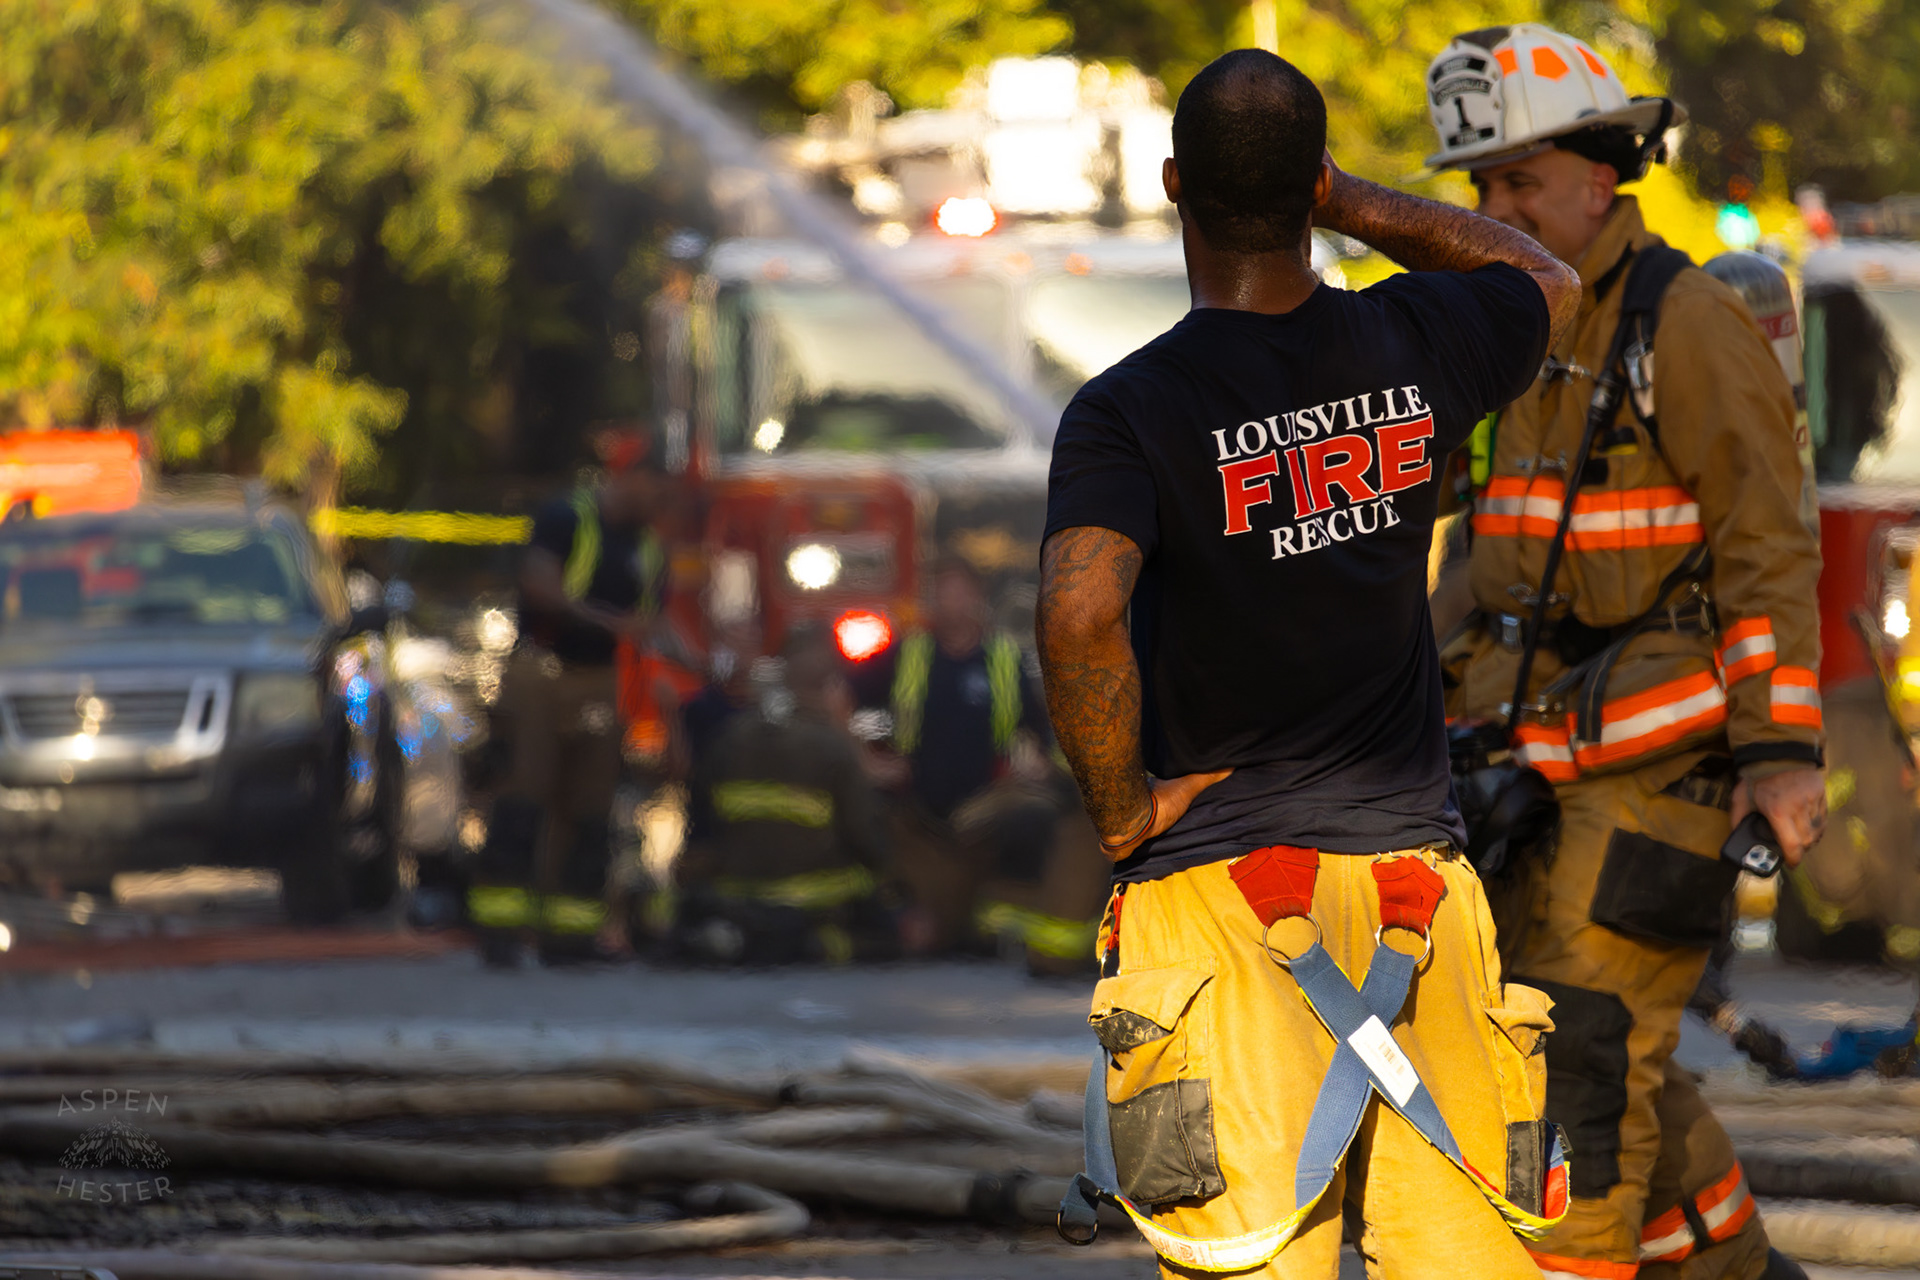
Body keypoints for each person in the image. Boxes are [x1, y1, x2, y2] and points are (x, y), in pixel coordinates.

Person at [1040, 49, 1581, 1278]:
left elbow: (1080, 614)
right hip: (1413, 896)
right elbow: (1543, 276)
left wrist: (1125, 808)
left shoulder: (1130, 409)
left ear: (1174, 184)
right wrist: (1351, 202)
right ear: (1309, 184)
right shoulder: (1419, 336)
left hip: (1219, 906)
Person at [1425, 25, 1823, 1280]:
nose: (1495, 208)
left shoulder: (1687, 323)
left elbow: (1771, 544)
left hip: (1660, 782)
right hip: (1534, 770)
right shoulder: (1521, 330)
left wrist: (1781, 753)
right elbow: (1483, 570)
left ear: (1602, 175)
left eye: (1520, 182)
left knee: (1576, 1070)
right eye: (1482, 187)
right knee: (1593, 1058)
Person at [466, 433, 668, 966]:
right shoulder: (565, 518)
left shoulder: (647, 546)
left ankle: (571, 934)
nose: (659, 505)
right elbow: (540, 586)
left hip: (600, 680)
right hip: (542, 671)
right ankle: (501, 931)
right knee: (524, 793)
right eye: (657, 491)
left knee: (590, 807)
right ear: (634, 478)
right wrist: (609, 622)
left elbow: (654, 625)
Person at [858, 555, 1109, 970]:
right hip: (916, 808)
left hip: (988, 805)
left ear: (977, 598)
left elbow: (1033, 729)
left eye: (959, 591)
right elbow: (841, 697)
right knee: (868, 819)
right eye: (941, 592)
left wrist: (1035, 766)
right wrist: (865, 761)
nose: (950, 601)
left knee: (1034, 820)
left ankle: (993, 917)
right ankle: (908, 913)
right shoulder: (908, 652)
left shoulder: (1004, 658)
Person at [673, 624, 896, 965]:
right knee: (884, 906)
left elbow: (702, 821)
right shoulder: (833, 748)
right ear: (832, 687)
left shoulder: (729, 737)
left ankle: (733, 935)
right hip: (813, 897)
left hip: (739, 890)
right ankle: (826, 943)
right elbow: (867, 839)